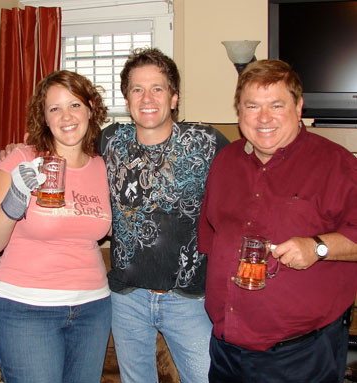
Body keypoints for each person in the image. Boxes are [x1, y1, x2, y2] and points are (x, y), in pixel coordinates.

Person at [198, 59, 357, 382]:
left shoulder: (336, 163)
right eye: (252, 106)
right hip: (226, 349)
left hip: (300, 356)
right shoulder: (225, 161)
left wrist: (318, 247)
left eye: (276, 105)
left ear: (298, 107)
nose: (264, 118)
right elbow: (212, 238)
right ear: (239, 112)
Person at [97, 47, 229, 383]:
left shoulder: (206, 141)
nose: (147, 98)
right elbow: (63, 152)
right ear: (127, 100)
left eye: (157, 88)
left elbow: (252, 168)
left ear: (173, 98)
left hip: (189, 298)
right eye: (137, 89)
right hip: (127, 297)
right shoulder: (109, 140)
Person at [0, 70, 112, 383]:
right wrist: (15, 199)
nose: (66, 117)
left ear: (90, 108)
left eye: (74, 105)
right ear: (44, 118)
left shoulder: (102, 166)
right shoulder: (20, 159)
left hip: (92, 308)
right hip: (27, 308)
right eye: (54, 109)